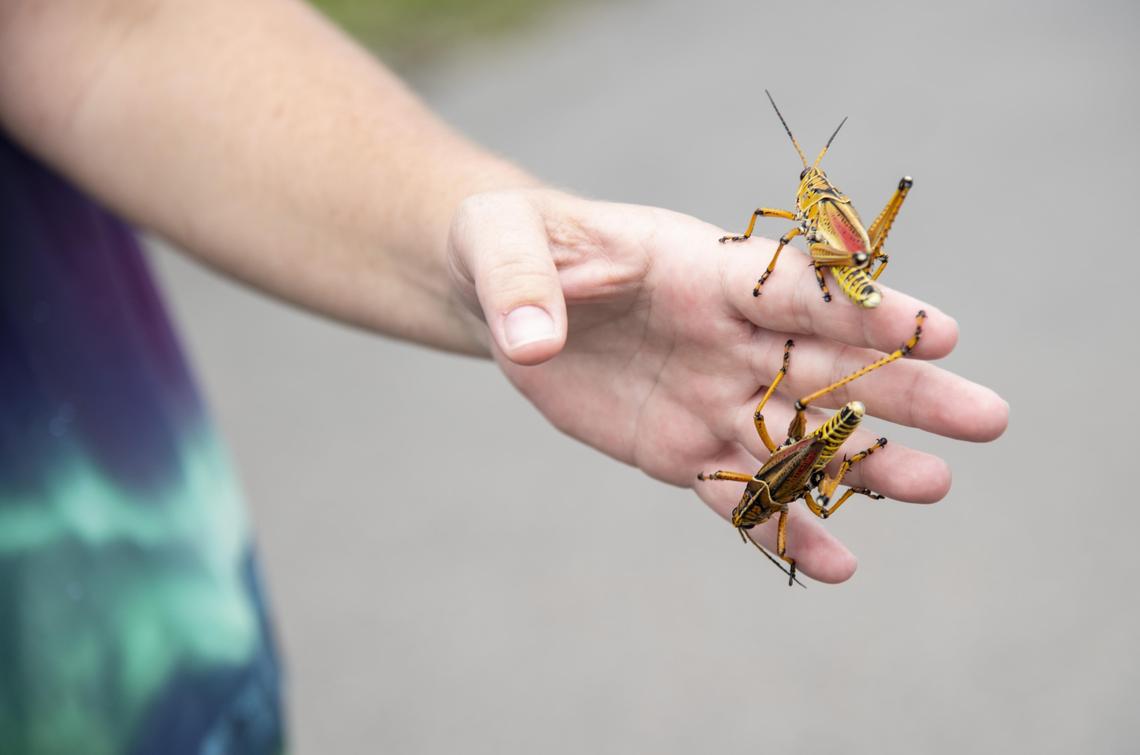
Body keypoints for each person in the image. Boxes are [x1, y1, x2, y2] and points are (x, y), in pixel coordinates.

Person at [0, 0, 1008, 751]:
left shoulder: (810, 249)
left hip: (137, 638)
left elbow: (107, 27)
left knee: (787, 455)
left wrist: (487, 237)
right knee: (786, 469)